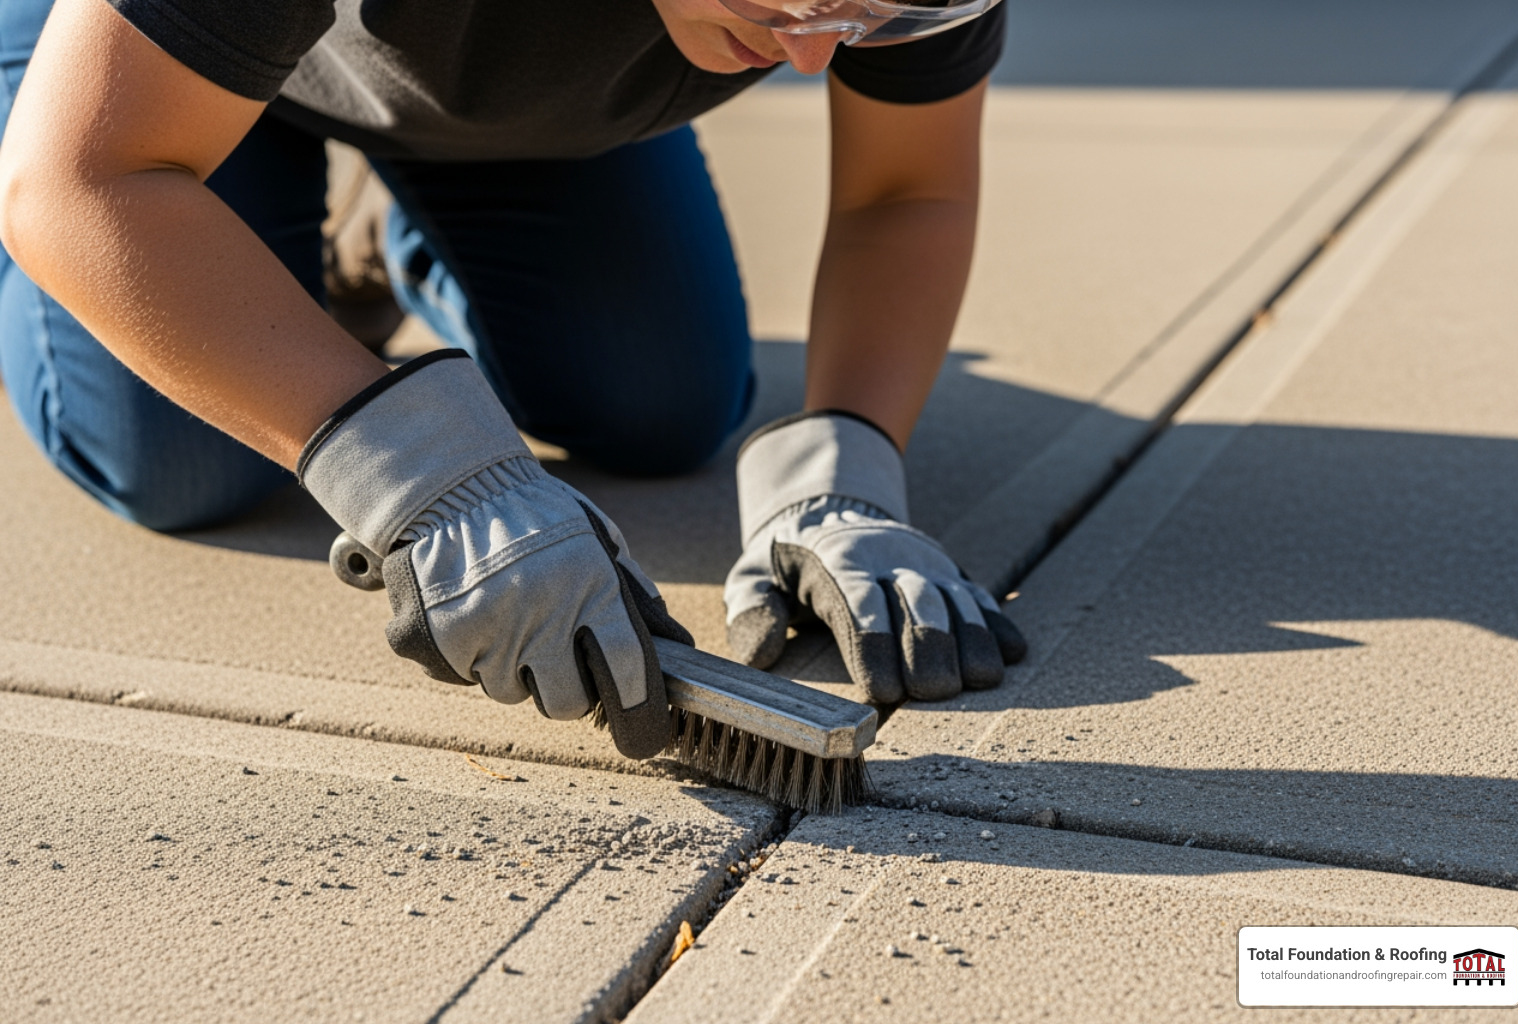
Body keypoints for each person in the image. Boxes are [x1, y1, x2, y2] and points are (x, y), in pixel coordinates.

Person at [0, 0, 1026, 760]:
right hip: (127, 78)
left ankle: (380, 229)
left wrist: (845, 464)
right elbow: (75, 183)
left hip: (486, 78)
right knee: (179, 465)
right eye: (782, 6)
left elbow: (907, 188)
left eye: (873, 13)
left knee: (655, 407)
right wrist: (424, 480)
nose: (811, 55)